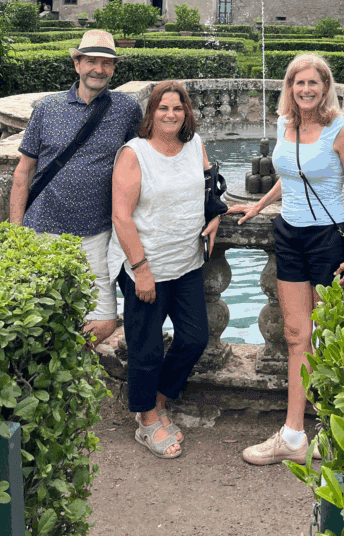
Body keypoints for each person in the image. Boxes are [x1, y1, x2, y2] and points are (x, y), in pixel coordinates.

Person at [227, 54, 344, 466]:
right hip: (289, 234)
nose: (305, 90)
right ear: (289, 88)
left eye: (313, 83)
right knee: (295, 335)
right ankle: (293, 434)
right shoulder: (287, 125)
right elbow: (289, 177)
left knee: (329, 336)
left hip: (328, 239)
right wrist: (258, 205)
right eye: (298, 83)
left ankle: (337, 428)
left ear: (326, 87)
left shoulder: (342, 130)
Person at [108, 80, 221, 460]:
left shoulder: (195, 145)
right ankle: (146, 422)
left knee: (194, 338)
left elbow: (211, 190)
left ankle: (156, 400)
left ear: (186, 112)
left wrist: (215, 219)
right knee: (146, 348)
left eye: (178, 108)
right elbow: (121, 215)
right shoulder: (134, 153)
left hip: (186, 263)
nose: (171, 115)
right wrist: (140, 269)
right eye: (163, 108)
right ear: (151, 113)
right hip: (147, 265)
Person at [10, 29, 142, 344]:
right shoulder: (47, 108)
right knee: (37, 313)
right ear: (77, 64)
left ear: (113, 68)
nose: (99, 69)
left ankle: (66, 365)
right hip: (42, 229)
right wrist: (14, 233)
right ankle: (54, 376)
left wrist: (202, 167)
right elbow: (23, 171)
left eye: (106, 63)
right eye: (91, 61)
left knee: (105, 321)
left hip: (96, 233)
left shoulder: (126, 109)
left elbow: (150, 154)